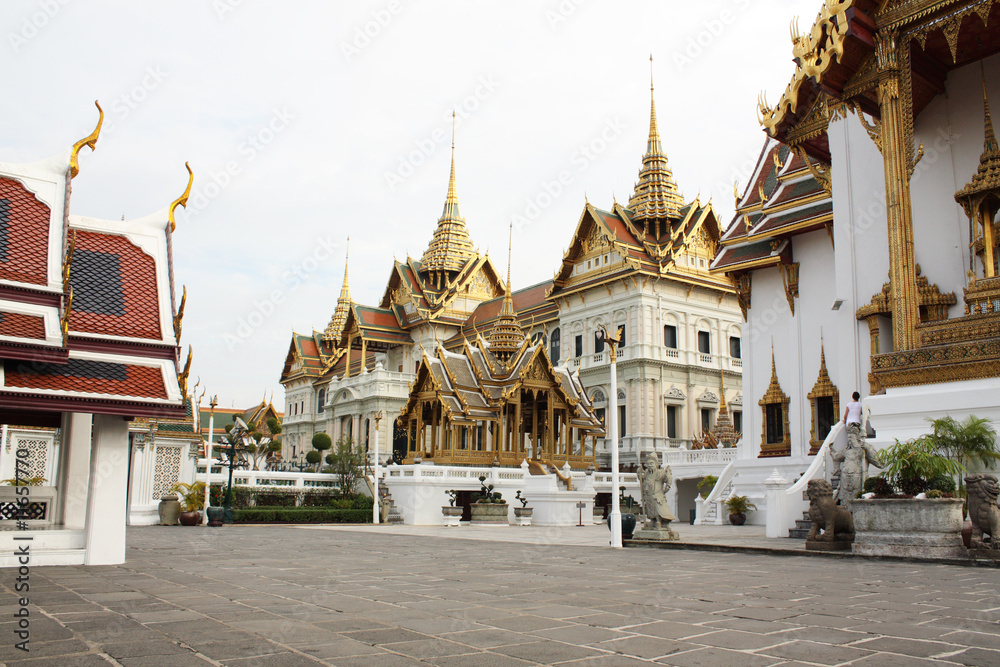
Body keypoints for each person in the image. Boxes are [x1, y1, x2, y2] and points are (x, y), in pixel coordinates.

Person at [638, 452, 676, 529]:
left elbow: (667, 478)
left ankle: (659, 521)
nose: (649, 465)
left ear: (656, 464)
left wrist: (667, 486)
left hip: (657, 494)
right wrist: (639, 474)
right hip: (648, 494)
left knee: (658, 508)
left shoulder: (660, 473)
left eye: (651, 463)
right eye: (648, 464)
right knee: (650, 508)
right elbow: (642, 480)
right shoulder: (647, 473)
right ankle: (653, 520)